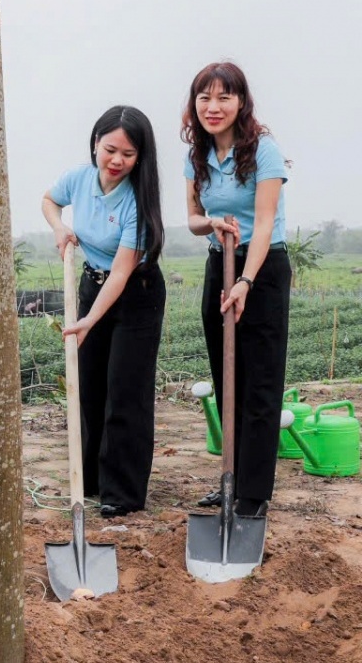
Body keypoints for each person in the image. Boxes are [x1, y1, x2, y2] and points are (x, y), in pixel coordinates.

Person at [42, 106, 167, 518]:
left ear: (140, 157)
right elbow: (49, 200)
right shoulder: (79, 179)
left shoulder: (138, 202)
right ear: (96, 142)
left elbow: (122, 272)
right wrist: (60, 227)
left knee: (124, 391)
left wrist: (89, 321)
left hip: (135, 294)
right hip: (92, 284)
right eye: (110, 149)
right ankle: (92, 480)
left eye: (128, 154)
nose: (116, 161)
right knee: (90, 387)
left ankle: (122, 492)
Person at [184, 62, 290, 518]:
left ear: (241, 102)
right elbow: (192, 218)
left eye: (224, 97)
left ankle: (253, 493)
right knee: (227, 376)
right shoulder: (197, 155)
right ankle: (232, 475)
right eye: (204, 97)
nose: (213, 107)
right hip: (218, 263)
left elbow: (264, 223)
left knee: (260, 382)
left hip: (261, 270)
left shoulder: (264, 150)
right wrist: (209, 222)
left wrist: (246, 280)